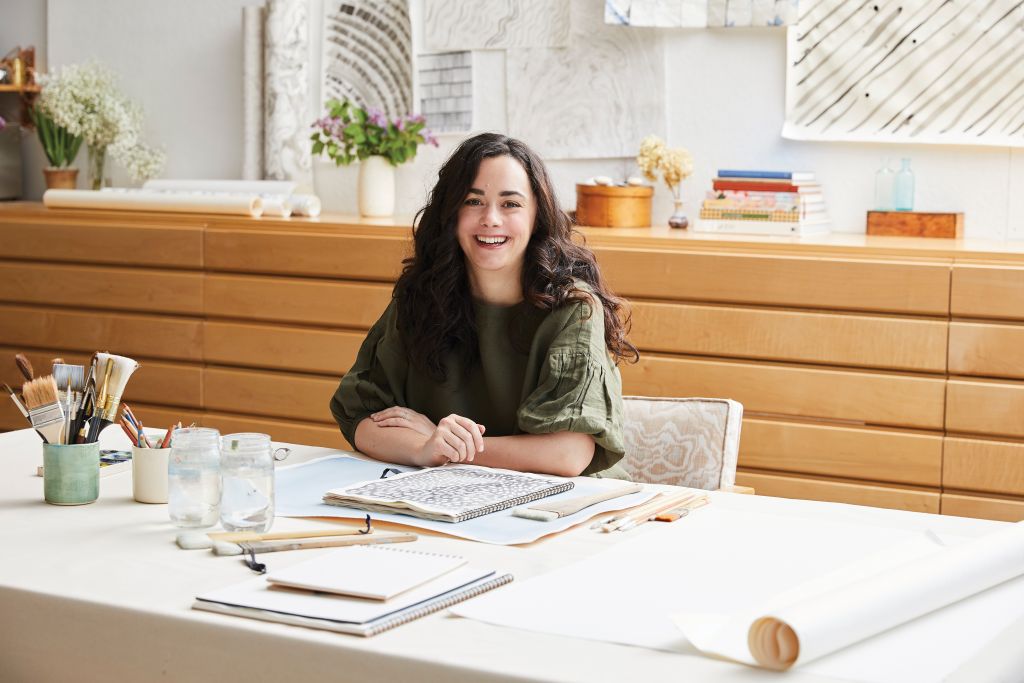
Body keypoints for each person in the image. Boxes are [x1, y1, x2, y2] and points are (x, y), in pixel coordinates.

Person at [330, 132, 638, 478]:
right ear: (451, 213)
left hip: (573, 508)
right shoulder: (419, 297)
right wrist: (422, 449)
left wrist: (448, 448)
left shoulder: (574, 311)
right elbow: (361, 418)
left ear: (537, 215)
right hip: (450, 497)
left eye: (511, 204)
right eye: (473, 201)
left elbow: (568, 454)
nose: (491, 218)